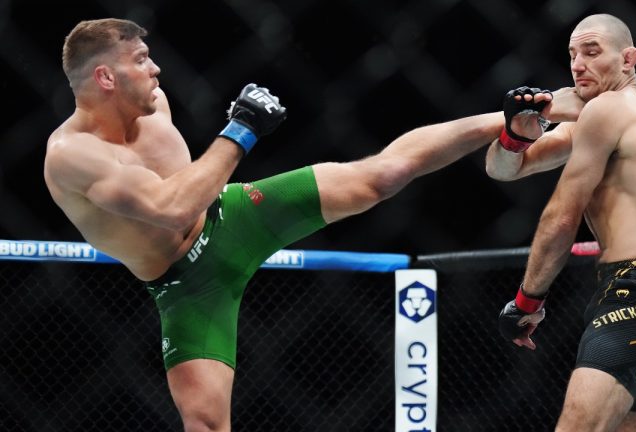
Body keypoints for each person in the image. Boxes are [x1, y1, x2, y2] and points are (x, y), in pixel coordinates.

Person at [42, 18, 583, 432]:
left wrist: (235, 134)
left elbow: (196, 194)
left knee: (381, 176)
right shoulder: (72, 157)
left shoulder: (151, 101)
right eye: (141, 60)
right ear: (105, 76)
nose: (157, 70)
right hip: (185, 285)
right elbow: (169, 207)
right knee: (206, 424)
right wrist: (241, 132)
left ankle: (516, 118)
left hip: (231, 216)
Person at [490, 14, 636, 432]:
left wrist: (528, 301)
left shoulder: (610, 110)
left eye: (592, 52)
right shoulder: (604, 119)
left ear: (628, 59)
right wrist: (515, 136)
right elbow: (503, 170)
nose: (578, 64)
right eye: (573, 54)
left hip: (634, 295)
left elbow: (561, 217)